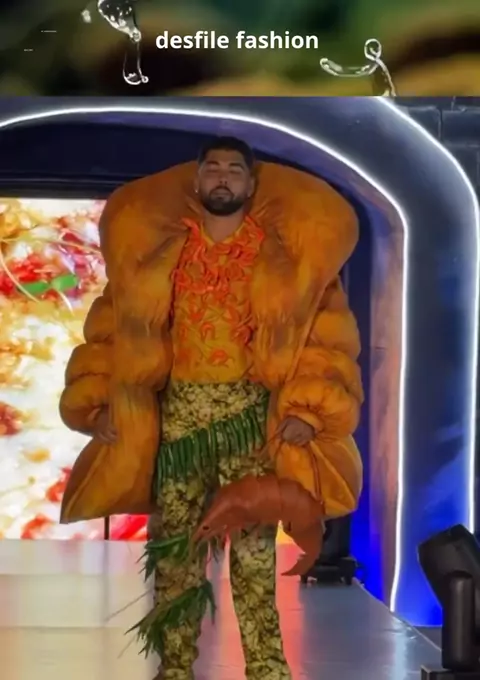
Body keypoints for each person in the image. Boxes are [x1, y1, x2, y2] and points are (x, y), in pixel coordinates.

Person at [59, 136, 364, 680]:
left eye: (234, 170)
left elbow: (323, 337)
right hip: (178, 424)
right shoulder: (157, 255)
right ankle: (175, 668)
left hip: (252, 423)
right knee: (176, 554)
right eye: (214, 168)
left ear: (251, 183)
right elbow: (116, 331)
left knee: (253, 559)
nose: (223, 177)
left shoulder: (286, 260)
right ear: (197, 180)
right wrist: (100, 404)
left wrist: (308, 412)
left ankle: (267, 670)